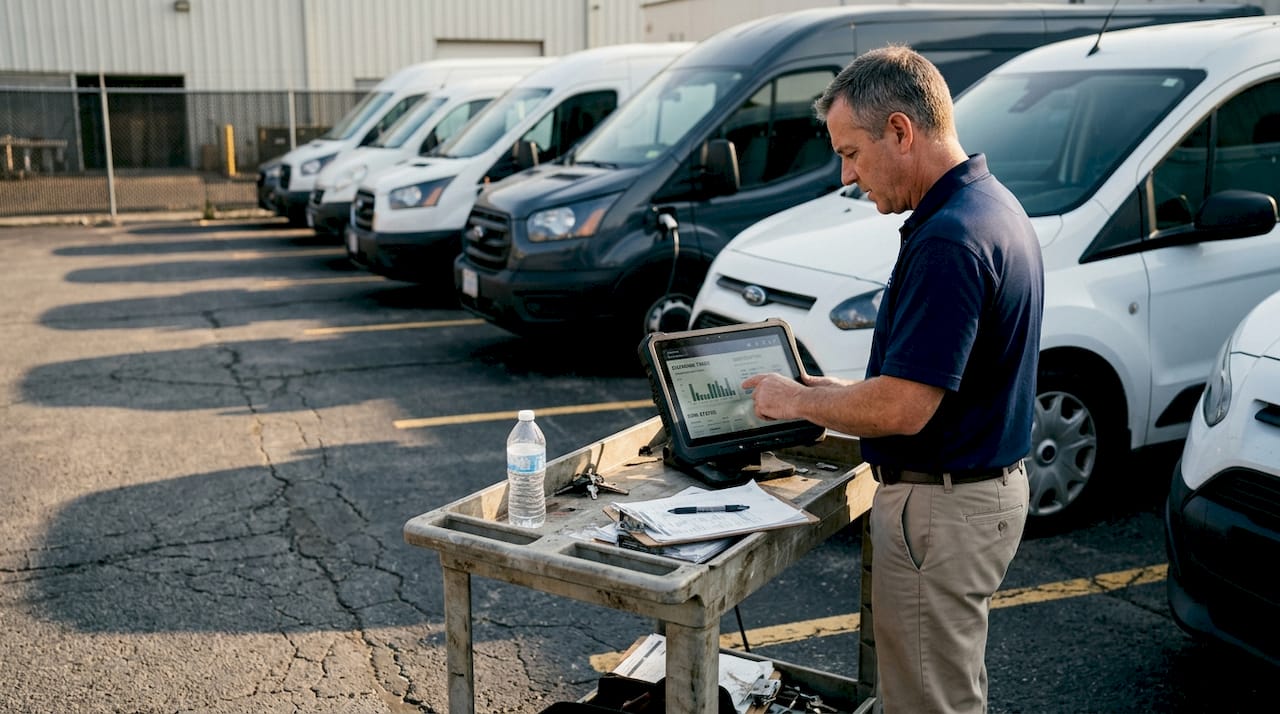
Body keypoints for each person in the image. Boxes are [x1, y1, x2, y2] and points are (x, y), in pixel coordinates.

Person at [742, 46, 1044, 714]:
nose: (849, 176)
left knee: (927, 702)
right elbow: (934, 377)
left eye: (852, 153)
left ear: (901, 131)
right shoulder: (989, 205)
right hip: (979, 496)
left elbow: (907, 408)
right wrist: (825, 395)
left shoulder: (949, 239)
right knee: (945, 687)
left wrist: (790, 399)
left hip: (943, 508)